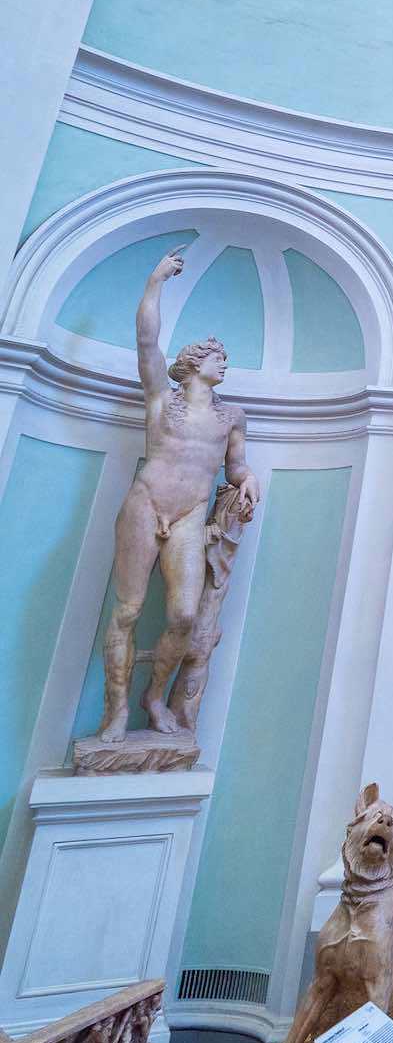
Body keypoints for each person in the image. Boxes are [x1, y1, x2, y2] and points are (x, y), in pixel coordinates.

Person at [96, 252, 260, 741]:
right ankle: (116, 708)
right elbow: (146, 340)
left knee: (185, 615)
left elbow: (234, 466)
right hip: (146, 504)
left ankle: (153, 696)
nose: (224, 361)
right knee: (127, 610)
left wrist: (248, 478)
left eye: (224, 356)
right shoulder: (161, 400)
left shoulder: (232, 417)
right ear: (191, 364)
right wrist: (155, 281)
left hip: (190, 515)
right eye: (216, 355)